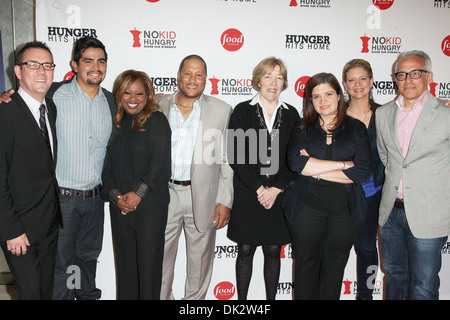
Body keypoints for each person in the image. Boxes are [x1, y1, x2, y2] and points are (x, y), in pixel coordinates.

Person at [282, 72, 372, 300]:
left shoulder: (356, 128)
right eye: (316, 96)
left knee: (335, 267)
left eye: (328, 94)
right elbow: (297, 164)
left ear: (340, 96)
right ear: (310, 101)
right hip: (307, 208)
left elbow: (362, 172)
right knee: (305, 264)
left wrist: (316, 169)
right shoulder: (302, 127)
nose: (323, 101)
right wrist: (343, 164)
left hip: (344, 211)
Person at [155, 54, 234, 300]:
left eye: (199, 74)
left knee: (199, 265)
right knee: (159, 263)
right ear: (178, 77)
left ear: (206, 80)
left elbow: (226, 159)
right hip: (164, 196)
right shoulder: (158, 105)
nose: (193, 79)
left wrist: (225, 200)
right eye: (188, 73)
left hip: (204, 197)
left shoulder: (222, 110)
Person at [376, 50, 450, 300]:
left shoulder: (445, 113)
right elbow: (387, 159)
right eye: (402, 74)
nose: (408, 79)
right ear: (394, 78)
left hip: (428, 214)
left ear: (428, 76)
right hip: (391, 214)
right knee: (395, 276)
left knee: (424, 284)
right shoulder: (383, 113)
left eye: (415, 73)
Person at [226, 57, 299, 299]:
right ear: (258, 80)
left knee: (272, 250)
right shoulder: (243, 111)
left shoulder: (291, 115)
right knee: (245, 250)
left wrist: (276, 189)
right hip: (249, 194)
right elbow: (237, 157)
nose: (273, 83)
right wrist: (259, 188)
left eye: (279, 77)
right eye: (268, 76)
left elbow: (294, 159)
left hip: (278, 195)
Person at [101, 70, 171, 299]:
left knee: (148, 272)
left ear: (148, 95)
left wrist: (138, 194)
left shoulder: (156, 120)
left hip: (150, 208)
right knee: (126, 270)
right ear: (119, 95)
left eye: (140, 93)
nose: (133, 98)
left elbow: (159, 163)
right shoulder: (115, 125)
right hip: (120, 208)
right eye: (127, 93)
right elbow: (105, 169)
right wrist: (116, 197)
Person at [0, 41, 61, 299]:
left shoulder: (50, 108)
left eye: (47, 65)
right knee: (31, 293)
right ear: (18, 71)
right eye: (32, 64)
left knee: (46, 291)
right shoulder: (5, 112)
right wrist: (11, 230)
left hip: (48, 223)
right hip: (19, 228)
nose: (41, 71)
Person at [342, 59, 384, 300]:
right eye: (351, 80)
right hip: (343, 192)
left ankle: (365, 296)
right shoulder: (336, 116)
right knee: (336, 249)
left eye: (363, 78)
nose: (358, 84)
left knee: (367, 248)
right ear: (345, 85)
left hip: (375, 193)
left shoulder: (386, 114)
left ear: (371, 81)